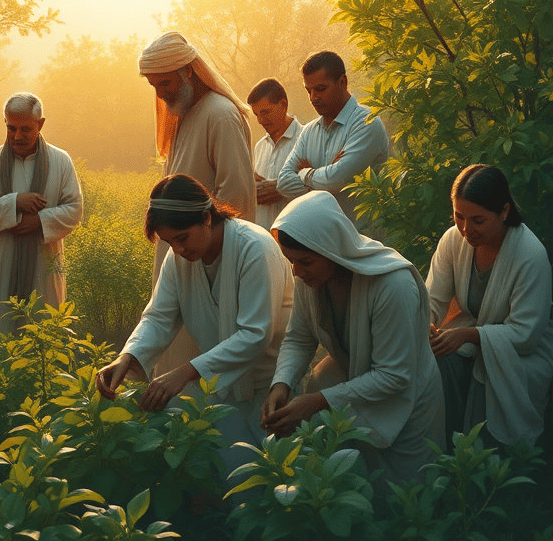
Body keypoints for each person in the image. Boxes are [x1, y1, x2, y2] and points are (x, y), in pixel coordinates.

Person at [96, 175, 292, 478]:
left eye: (182, 238)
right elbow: (159, 316)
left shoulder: (254, 248)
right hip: (222, 390)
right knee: (233, 481)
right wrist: (128, 357)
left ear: (206, 218)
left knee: (279, 481)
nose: (177, 250)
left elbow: (256, 335)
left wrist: (187, 371)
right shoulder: (180, 260)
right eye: (169, 242)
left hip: (269, 389)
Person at [262, 191, 444, 484]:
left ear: (331, 248)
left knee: (408, 498)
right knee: (357, 488)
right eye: (291, 262)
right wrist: (280, 385)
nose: (297, 272)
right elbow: (299, 338)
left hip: (407, 404)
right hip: (357, 398)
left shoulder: (391, 286)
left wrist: (319, 401)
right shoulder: (311, 281)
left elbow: (394, 375)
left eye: (305, 262)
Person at [138, 31, 256, 375]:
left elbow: (237, 199)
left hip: (211, 265)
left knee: (206, 363)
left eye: (165, 83)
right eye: (155, 87)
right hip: (182, 257)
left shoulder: (220, 114)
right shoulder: (186, 114)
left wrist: (214, 264)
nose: (161, 94)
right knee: (174, 353)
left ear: (188, 71)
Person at [426, 164, 553, 447]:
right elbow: (432, 299)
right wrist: (428, 325)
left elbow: (526, 335)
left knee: (484, 377)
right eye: (458, 217)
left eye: (478, 220)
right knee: (437, 359)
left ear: (504, 212)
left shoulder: (530, 256)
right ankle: (443, 447)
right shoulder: (453, 241)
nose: (466, 229)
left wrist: (472, 336)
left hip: (523, 353)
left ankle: (486, 460)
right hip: (475, 332)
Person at [0, 92, 83, 343]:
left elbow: (74, 209)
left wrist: (40, 221)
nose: (17, 136)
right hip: (2, 263)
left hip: (44, 263)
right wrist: (15, 202)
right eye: (11, 128)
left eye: (25, 129)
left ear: (40, 124)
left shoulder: (60, 161)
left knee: (43, 329)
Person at [276, 51, 389, 230]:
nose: (313, 98)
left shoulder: (367, 123)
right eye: (309, 91)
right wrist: (326, 176)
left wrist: (305, 173)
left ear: (342, 82)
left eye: (320, 89)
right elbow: (283, 183)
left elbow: (337, 179)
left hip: (366, 242)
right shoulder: (309, 131)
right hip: (324, 244)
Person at [247, 77, 303, 232]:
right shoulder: (260, 147)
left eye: (265, 112)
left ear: (283, 105)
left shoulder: (305, 139)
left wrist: (282, 190)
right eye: (256, 114)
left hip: (296, 236)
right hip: (263, 238)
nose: (260, 120)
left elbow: (318, 188)